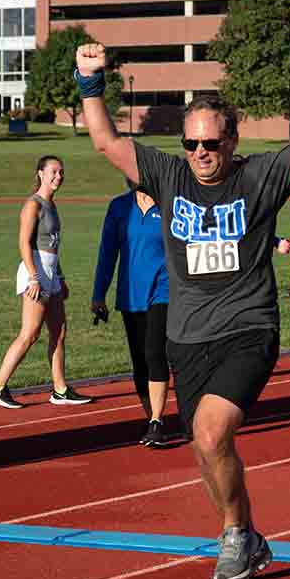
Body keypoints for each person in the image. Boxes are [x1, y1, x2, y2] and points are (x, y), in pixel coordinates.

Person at [74, 42, 290, 579]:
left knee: (210, 433)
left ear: (231, 140)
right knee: (206, 450)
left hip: (248, 328)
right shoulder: (168, 176)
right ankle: (246, 534)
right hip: (187, 336)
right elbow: (105, 140)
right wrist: (90, 81)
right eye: (191, 143)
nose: (201, 152)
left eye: (211, 142)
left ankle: (233, 535)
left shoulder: (259, 178)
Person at [0, 156, 92, 409]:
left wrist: (60, 277)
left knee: (59, 331)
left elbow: (53, 247)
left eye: (61, 172)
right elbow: (24, 243)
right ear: (41, 174)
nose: (59, 176)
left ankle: (61, 390)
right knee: (30, 334)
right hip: (36, 272)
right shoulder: (33, 205)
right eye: (53, 171)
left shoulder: (52, 205)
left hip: (51, 273)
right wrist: (34, 277)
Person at [91, 179, 171, 447]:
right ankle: (153, 420)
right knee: (140, 361)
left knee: (154, 351)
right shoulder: (119, 207)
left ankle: (158, 420)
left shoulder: (169, 203)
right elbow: (107, 252)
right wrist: (98, 294)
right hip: (130, 294)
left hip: (164, 290)